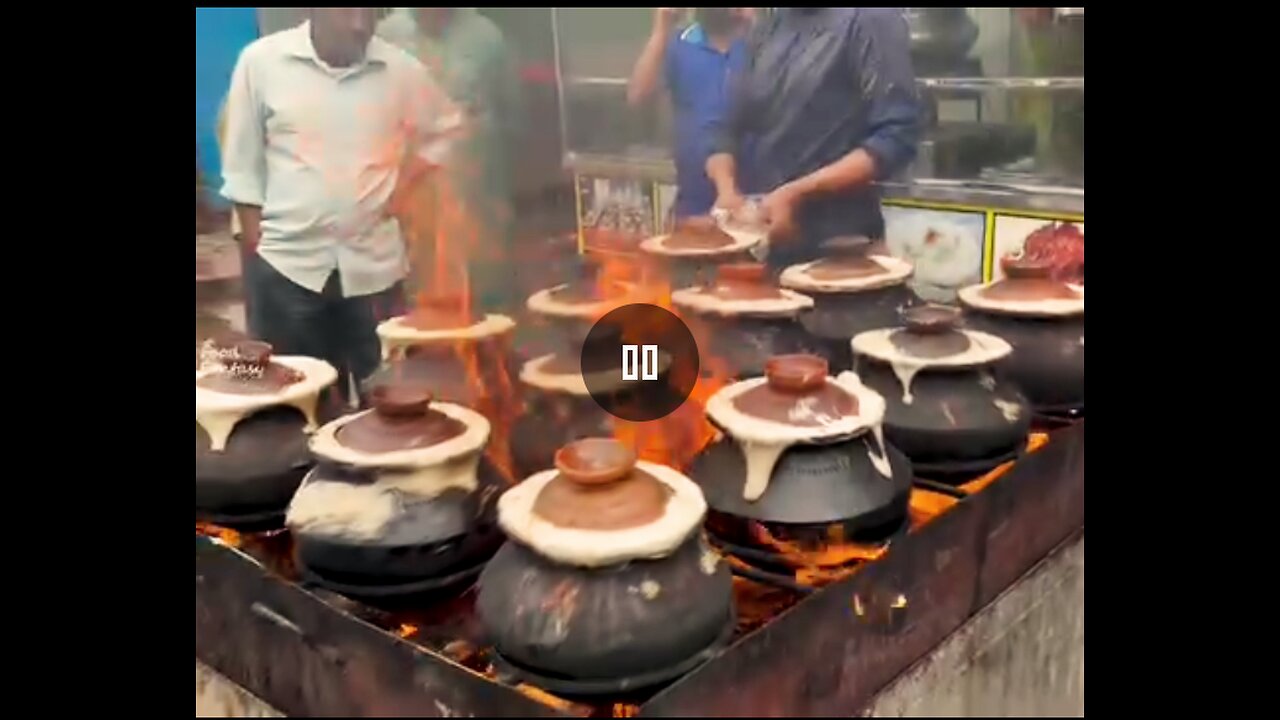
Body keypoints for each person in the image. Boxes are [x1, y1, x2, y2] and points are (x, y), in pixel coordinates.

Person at [220, 8, 462, 405]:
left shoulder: (399, 71)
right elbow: (242, 166)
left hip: (374, 268)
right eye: (346, 10)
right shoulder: (262, 63)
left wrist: (403, 187)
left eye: (369, 12)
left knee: (391, 398)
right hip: (287, 269)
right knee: (299, 400)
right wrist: (258, 247)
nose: (358, 24)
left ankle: (378, 464)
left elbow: (447, 128)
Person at [705, 8, 921, 269]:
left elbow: (896, 136)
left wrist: (795, 193)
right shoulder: (769, 27)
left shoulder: (871, 20)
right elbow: (724, 126)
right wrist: (726, 190)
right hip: (774, 243)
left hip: (843, 248)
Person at [376, 8, 523, 314]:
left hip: (475, 198)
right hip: (413, 200)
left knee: (485, 305)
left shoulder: (486, 38)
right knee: (422, 305)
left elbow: (513, 117)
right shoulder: (386, 36)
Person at [627, 8, 753, 221]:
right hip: (695, 202)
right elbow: (638, 95)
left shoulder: (760, 43)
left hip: (755, 201)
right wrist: (661, 29)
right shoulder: (679, 43)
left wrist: (755, 23)